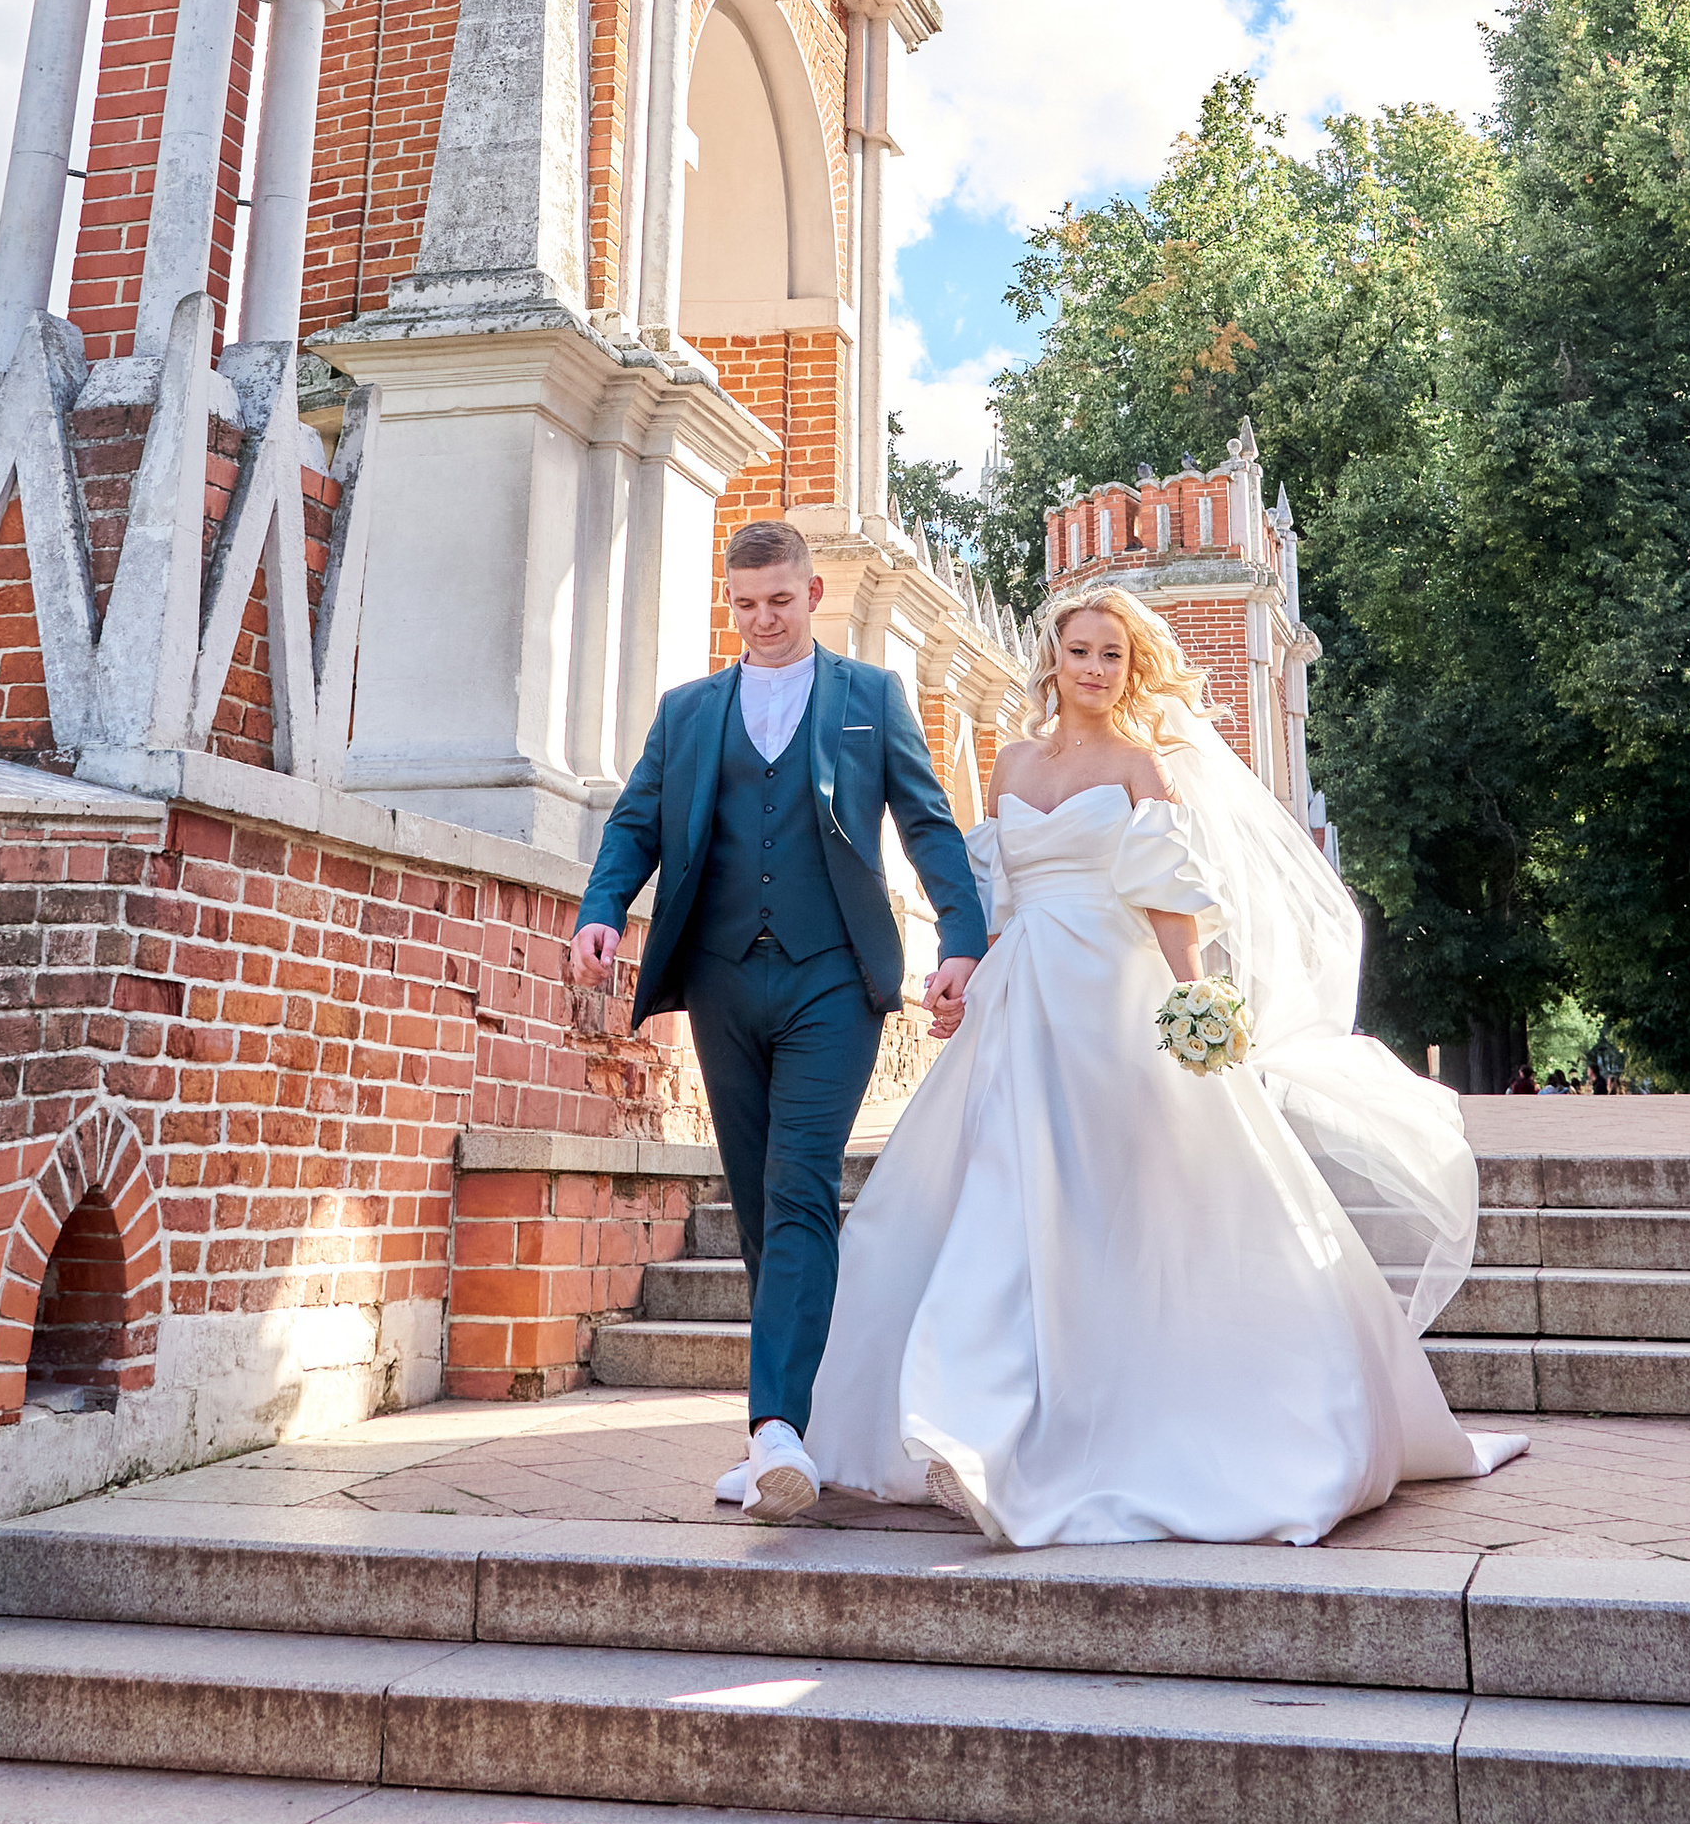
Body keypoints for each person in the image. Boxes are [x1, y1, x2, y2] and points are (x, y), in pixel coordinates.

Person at [806, 583, 1527, 1548]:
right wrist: (961, 977)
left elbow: (1169, 896)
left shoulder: (1142, 765)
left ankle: (1088, 1425)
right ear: (1053, 661)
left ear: (1131, 670)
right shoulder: (1012, 761)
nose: (1095, 669)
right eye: (1081, 651)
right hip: (1021, 999)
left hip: (1113, 997)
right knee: (995, 1192)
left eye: (1113, 655)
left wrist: (1193, 1002)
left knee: (1115, 1201)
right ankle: (969, 1429)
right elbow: (994, 894)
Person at [569, 517, 988, 1523]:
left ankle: (772, 1433)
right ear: (733, 602)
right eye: (745, 605)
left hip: (832, 979)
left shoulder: (867, 698)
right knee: (759, 1202)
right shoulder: (688, 713)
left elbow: (929, 821)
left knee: (800, 1181)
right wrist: (597, 913)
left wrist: (961, 940)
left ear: (811, 596)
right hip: (720, 980)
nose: (763, 620)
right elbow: (634, 823)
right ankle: (795, 1428)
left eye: (781, 602)